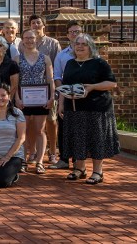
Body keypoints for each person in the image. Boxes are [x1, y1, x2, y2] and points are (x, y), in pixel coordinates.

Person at [59, 34, 119, 185]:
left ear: (90, 47)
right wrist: (60, 104)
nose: (79, 46)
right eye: (77, 43)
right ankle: (80, 169)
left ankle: (98, 171)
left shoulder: (99, 63)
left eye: (83, 44)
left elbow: (112, 84)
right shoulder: (70, 63)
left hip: (97, 108)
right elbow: (65, 86)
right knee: (78, 138)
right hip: (73, 108)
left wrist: (92, 87)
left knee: (96, 139)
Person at [16, 29, 55, 174]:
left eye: (31, 38)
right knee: (23, 130)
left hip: (41, 98)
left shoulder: (45, 58)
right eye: (26, 38)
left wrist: (52, 97)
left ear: (36, 39)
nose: (29, 40)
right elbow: (15, 81)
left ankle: (39, 162)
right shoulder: (17, 59)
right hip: (23, 99)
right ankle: (23, 160)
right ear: (22, 40)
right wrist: (17, 98)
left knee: (40, 130)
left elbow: (50, 79)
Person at [50, 21, 83, 170]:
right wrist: (64, 93)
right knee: (63, 127)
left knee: (80, 129)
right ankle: (64, 159)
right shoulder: (62, 55)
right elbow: (57, 76)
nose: (74, 34)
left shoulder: (92, 53)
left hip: (84, 97)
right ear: (67, 35)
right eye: (72, 32)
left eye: (77, 31)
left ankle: (78, 160)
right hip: (66, 96)